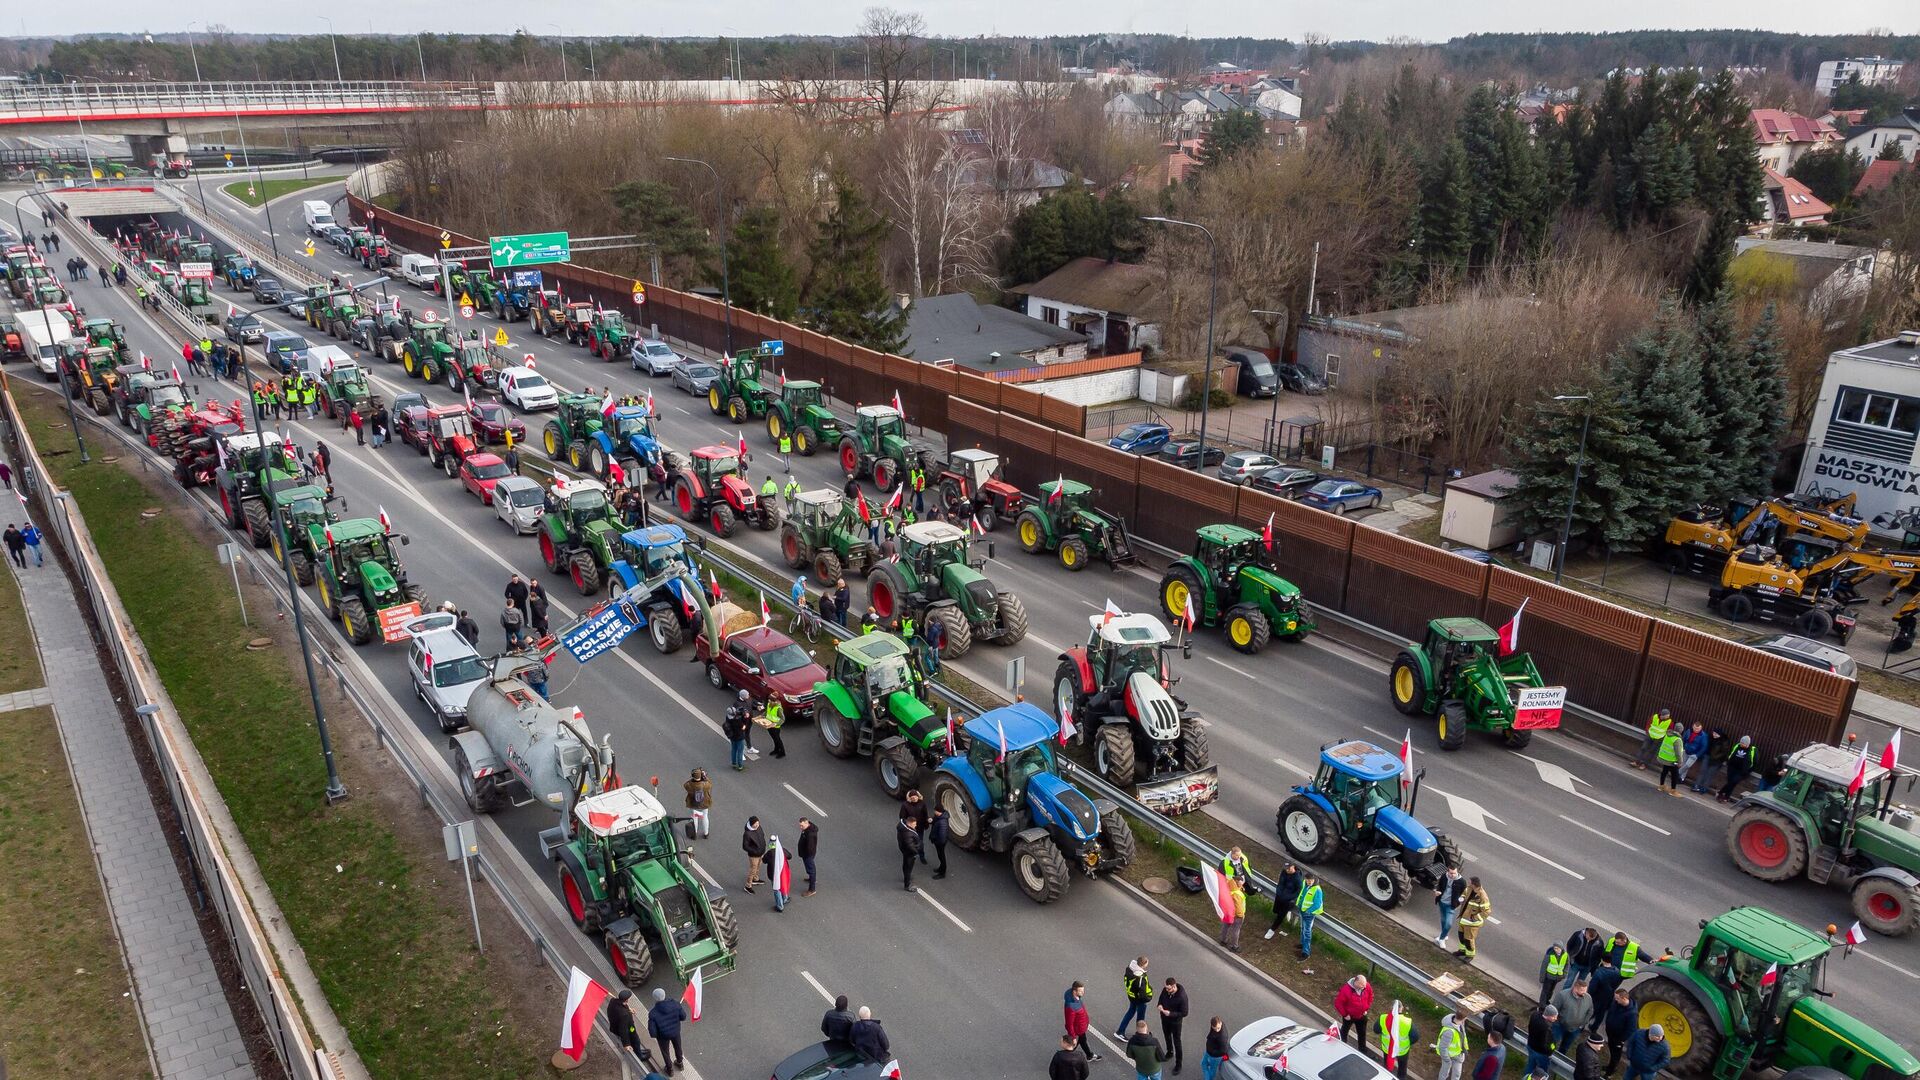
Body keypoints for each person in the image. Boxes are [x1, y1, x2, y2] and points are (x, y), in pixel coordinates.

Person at [644, 986, 686, 1073]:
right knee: (678, 1047)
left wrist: (658, 1035)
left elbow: (652, 1033)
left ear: (654, 998)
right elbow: (683, 1017)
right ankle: (680, 1062)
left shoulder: (653, 1013)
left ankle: (669, 1069)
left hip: (663, 1036)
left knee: (665, 1052)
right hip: (675, 1032)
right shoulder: (675, 1004)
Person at [606, 989, 651, 1067]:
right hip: (629, 1028)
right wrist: (626, 1044)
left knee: (635, 1040)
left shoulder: (613, 1001)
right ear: (627, 1000)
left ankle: (638, 1050)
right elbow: (623, 1030)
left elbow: (622, 1005)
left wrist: (629, 1009)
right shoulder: (624, 1015)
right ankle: (639, 1055)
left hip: (615, 1026)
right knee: (636, 1040)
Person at [1551, 977, 1594, 1051]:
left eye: (1585, 990)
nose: (1584, 992)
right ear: (1575, 988)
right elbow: (1554, 1009)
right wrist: (1556, 1021)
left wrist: (1583, 1023)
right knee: (1553, 1042)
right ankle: (1548, 1053)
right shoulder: (1562, 995)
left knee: (1566, 1046)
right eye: (1582, 990)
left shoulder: (1588, 998)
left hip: (1575, 1029)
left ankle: (1560, 1057)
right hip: (1559, 1026)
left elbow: (1590, 1011)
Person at [1378, 1002, 1418, 1080]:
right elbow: (1415, 1037)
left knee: (1387, 1064)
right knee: (1402, 1067)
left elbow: (1376, 1030)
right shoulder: (1407, 1022)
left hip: (1387, 1049)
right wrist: (1408, 1043)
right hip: (1402, 1051)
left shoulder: (1383, 1018)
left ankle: (1386, 1076)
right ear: (1401, 1008)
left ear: (1391, 1007)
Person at [1116, 957, 1153, 1040]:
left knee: (1131, 1012)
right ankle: (1141, 1033)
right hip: (1139, 999)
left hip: (1132, 996)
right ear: (1144, 964)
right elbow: (1142, 992)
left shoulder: (1131, 969)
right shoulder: (1140, 976)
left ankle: (1120, 1031)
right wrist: (1147, 998)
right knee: (1140, 1016)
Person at [1599, 988, 1634, 1077]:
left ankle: (1609, 1073)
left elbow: (1630, 1029)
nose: (1615, 1000)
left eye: (1617, 998)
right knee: (1611, 1051)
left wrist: (1621, 1040)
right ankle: (1609, 1066)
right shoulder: (1616, 1003)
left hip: (1618, 1039)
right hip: (1611, 1034)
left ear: (1624, 999)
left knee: (1615, 1056)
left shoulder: (1632, 1013)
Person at [1157, 976, 1189, 1075]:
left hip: (1175, 1022)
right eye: (1166, 988)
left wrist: (1170, 1013)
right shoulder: (1165, 990)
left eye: (1169, 988)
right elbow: (1161, 1000)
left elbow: (1184, 1013)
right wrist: (1160, 1005)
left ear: (1174, 986)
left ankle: (1178, 1064)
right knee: (1167, 1036)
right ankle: (1169, 1052)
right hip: (1165, 1019)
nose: (1167, 990)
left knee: (1177, 1042)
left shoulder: (1182, 997)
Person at [1064, 981, 1100, 1062]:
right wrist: (1073, 1037)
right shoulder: (1071, 1007)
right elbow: (1069, 1023)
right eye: (1080, 991)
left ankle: (1089, 1055)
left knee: (1083, 1041)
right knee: (1074, 1044)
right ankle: (1066, 1058)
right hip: (1078, 1029)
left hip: (1081, 1027)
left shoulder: (1075, 997)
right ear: (1074, 991)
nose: (1083, 992)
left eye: (1083, 990)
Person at [1456, 877, 1491, 961]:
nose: (1469, 883)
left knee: (1468, 940)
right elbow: (1464, 894)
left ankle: (1470, 955)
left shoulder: (1482, 896)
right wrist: (1462, 898)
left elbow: (1486, 911)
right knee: (1461, 936)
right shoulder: (1469, 888)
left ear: (1474, 884)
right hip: (1463, 919)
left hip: (1472, 923)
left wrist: (1474, 917)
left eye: (1470, 882)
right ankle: (1462, 951)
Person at [1335, 975, 1373, 1049]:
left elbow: (1370, 996)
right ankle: (1342, 1047)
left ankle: (1362, 1050)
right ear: (1356, 982)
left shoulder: (1366, 986)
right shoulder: (1346, 990)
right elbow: (1338, 1003)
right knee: (1344, 1031)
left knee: (1362, 1033)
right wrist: (1345, 1015)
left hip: (1361, 1015)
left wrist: (1366, 1009)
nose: (1364, 986)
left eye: (1364, 984)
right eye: (1362, 985)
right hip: (1350, 1016)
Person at [1435, 865, 1467, 948]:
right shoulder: (1444, 876)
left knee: (1448, 924)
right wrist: (1437, 891)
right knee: (1443, 920)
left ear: (1457, 872)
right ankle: (1444, 935)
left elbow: (1464, 894)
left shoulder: (1462, 881)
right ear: (1448, 872)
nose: (1452, 875)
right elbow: (1439, 886)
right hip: (1442, 902)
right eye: (1451, 873)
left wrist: (1460, 900)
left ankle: (1441, 939)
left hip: (1451, 905)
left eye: (1454, 873)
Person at [1297, 872, 1325, 967]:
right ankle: (1302, 944)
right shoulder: (1305, 884)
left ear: (1314, 880)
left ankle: (1306, 952)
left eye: (1310, 880)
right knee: (1302, 928)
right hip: (1302, 910)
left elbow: (1317, 904)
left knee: (1307, 932)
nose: (1308, 882)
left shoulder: (1317, 890)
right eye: (1307, 880)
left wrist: (1308, 911)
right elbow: (1302, 895)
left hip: (1308, 914)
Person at [1718, 735, 1758, 801]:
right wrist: (1729, 762)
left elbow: (1755, 762)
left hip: (1742, 771)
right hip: (1732, 768)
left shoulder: (1753, 750)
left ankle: (1721, 792)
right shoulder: (1737, 746)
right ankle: (1726, 797)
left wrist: (1748, 771)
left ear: (1747, 744)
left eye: (1743, 743)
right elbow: (1732, 754)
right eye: (1741, 743)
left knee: (1733, 782)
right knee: (1731, 782)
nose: (1741, 744)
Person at [1525, 1005, 1558, 1080]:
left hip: (1530, 1045)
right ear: (1548, 1015)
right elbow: (1546, 1044)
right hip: (1541, 1053)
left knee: (1530, 1066)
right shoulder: (1545, 1027)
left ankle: (1527, 1078)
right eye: (1554, 1016)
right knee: (1542, 1071)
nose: (1556, 1019)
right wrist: (1551, 1050)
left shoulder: (1535, 1015)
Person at [682, 768, 712, 846]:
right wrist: (705, 777)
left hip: (693, 803)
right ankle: (706, 833)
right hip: (704, 803)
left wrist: (693, 779)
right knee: (705, 816)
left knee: (694, 817)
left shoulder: (689, 785)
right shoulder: (706, 784)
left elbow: (685, 785)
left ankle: (694, 833)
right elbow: (710, 784)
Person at [1434, 1013, 1468, 1080]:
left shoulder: (1460, 1024)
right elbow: (1442, 1048)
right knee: (1444, 1074)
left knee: (1457, 1074)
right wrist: (1447, 1060)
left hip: (1458, 1055)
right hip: (1448, 1056)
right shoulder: (1449, 1031)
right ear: (1464, 1019)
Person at [901, 789, 930, 864]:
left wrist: (926, 823)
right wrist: (907, 825)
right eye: (912, 797)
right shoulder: (905, 805)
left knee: (920, 843)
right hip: (910, 829)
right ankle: (911, 855)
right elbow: (902, 817)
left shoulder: (922, 803)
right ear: (909, 798)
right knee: (910, 843)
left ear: (918, 796)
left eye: (915, 796)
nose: (914, 798)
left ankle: (922, 856)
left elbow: (925, 814)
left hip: (920, 827)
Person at [1655, 724, 1685, 795]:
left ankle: (1661, 786)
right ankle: (1673, 791)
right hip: (1671, 761)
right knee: (1675, 775)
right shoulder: (1677, 739)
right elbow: (1678, 753)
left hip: (1664, 758)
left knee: (1664, 771)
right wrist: (1680, 762)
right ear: (1681, 730)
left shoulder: (1668, 735)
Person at [1538, 942, 1570, 1008]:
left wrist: (1564, 974)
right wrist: (1542, 978)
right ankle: (1542, 1005)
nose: (1556, 949)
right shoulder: (1550, 955)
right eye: (1555, 948)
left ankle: (1547, 1001)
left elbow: (1566, 965)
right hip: (1549, 977)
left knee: (1551, 990)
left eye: (1557, 948)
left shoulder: (1565, 955)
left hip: (1557, 977)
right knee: (1545, 991)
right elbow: (1544, 966)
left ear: (1561, 948)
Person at [762, 834, 789, 912]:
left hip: (773, 874)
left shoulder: (770, 853)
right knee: (783, 885)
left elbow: (764, 861)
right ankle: (785, 898)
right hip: (782, 872)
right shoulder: (782, 850)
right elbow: (790, 856)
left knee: (777, 889)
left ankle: (780, 906)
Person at [1220, 873, 1246, 952]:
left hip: (1228, 912)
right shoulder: (1237, 894)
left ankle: (1223, 940)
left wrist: (1241, 888)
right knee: (1236, 930)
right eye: (1241, 882)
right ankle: (1235, 946)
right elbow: (1238, 906)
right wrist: (1240, 915)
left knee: (1225, 926)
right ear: (1237, 881)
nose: (1242, 883)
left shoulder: (1229, 887)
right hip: (1237, 915)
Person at [741, 815, 766, 892]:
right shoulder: (747, 834)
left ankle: (755, 879)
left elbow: (762, 836)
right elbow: (745, 846)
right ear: (752, 824)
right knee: (753, 869)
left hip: (761, 853)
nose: (757, 825)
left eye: (758, 823)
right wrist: (755, 851)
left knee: (758, 866)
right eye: (755, 823)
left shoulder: (759, 827)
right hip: (754, 855)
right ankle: (748, 885)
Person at [896, 816, 920, 892]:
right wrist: (916, 851)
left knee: (905, 864)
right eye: (914, 824)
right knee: (908, 867)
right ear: (909, 824)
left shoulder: (902, 827)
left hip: (904, 850)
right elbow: (910, 846)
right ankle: (907, 885)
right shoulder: (908, 834)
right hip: (909, 852)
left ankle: (906, 877)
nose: (915, 825)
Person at [796, 816, 819, 896]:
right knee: (810, 869)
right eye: (800, 825)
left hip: (807, 855)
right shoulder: (807, 829)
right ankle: (811, 878)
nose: (800, 827)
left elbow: (810, 847)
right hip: (806, 854)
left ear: (807, 823)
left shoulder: (809, 834)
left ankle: (812, 889)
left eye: (802, 825)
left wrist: (805, 854)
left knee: (811, 869)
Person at [928, 804, 950, 879]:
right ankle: (941, 868)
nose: (934, 812)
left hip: (940, 842)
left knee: (941, 856)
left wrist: (938, 842)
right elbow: (934, 821)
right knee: (940, 855)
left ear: (939, 811)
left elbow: (942, 835)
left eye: (935, 811)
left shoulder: (942, 822)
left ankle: (942, 873)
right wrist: (931, 821)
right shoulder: (939, 817)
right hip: (938, 841)